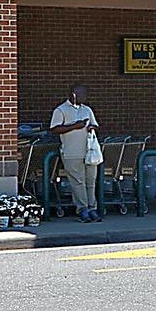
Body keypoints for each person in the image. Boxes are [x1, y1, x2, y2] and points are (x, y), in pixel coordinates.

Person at [50, 83, 102, 221]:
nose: (85, 97)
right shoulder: (61, 110)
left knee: (91, 181)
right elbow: (54, 129)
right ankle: (82, 209)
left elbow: (95, 125)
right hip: (71, 152)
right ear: (73, 95)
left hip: (89, 152)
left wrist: (92, 127)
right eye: (82, 94)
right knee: (78, 182)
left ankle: (93, 208)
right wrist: (75, 126)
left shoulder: (87, 110)